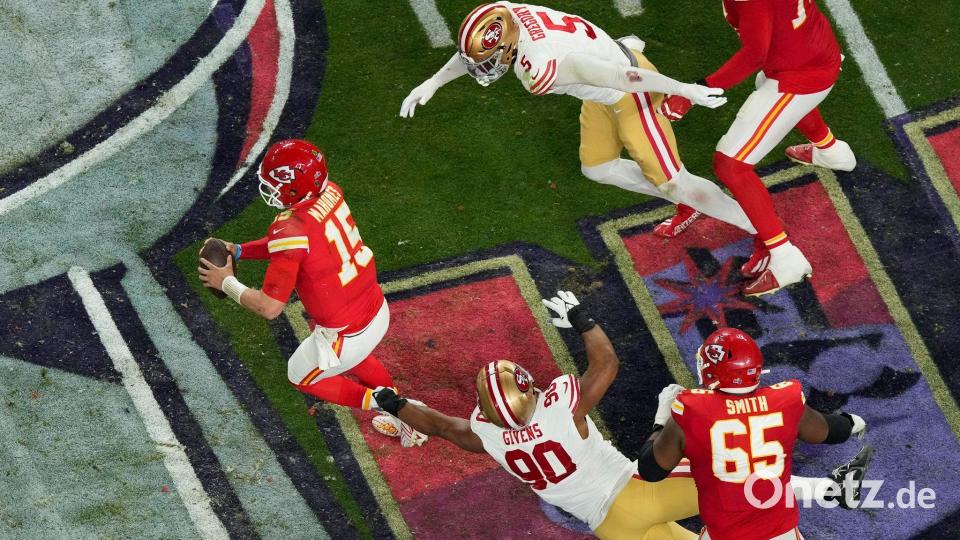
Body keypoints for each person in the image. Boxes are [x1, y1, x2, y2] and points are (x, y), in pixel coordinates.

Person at [373, 292, 865, 538]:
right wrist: (583, 320)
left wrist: (393, 403)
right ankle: (830, 489)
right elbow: (605, 364)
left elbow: (437, 424)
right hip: (636, 493)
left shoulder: (486, 437)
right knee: (733, 470)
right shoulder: (562, 408)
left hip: (608, 527)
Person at [400, 2, 763, 241]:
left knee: (674, 182)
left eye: (490, 60)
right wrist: (434, 81)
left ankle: (760, 230)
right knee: (599, 168)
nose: (483, 69)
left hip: (629, 85)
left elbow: (622, 79)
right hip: (601, 89)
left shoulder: (537, 65)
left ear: (510, 46)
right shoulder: (505, 12)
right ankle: (691, 202)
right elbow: (476, 52)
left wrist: (683, 89)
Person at [198, 139, 426, 446]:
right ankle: (400, 408)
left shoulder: (290, 229)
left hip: (346, 334)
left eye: (276, 183)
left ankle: (392, 406)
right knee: (352, 360)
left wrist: (225, 281)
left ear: (295, 188)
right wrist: (239, 251)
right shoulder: (330, 193)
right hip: (374, 309)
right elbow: (294, 246)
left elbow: (269, 307)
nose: (270, 189)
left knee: (299, 375)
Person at [659, 0, 857, 295]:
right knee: (767, 85)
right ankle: (831, 150)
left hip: (800, 74)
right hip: (810, 49)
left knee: (731, 163)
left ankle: (785, 257)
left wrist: (697, 90)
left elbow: (754, 54)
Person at [638, 328, 871, 539]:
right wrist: (852, 423)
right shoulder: (785, 400)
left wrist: (661, 421)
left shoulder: (691, 411)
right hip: (781, 533)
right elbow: (827, 431)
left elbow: (651, 469)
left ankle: (833, 488)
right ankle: (833, 488)